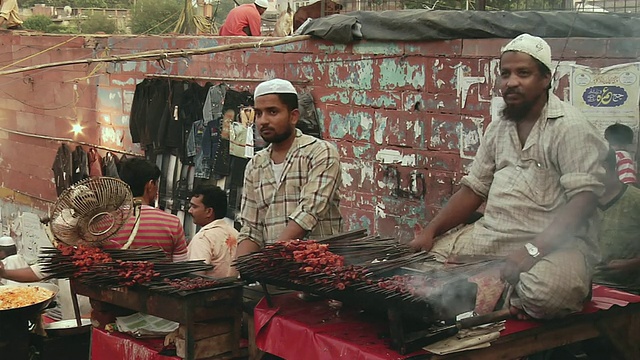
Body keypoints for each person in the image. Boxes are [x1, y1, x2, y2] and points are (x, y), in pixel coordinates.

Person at [409, 33, 608, 320]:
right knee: (422, 267)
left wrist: (531, 251)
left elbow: (584, 201)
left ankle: (496, 290)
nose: (511, 82)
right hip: (494, 237)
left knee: (546, 293)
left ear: (546, 79)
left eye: (523, 73)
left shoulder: (570, 127)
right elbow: (473, 190)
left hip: (554, 244)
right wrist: (430, 231)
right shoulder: (498, 127)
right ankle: (501, 290)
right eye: (505, 74)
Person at [236, 78, 342, 257]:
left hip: (318, 272)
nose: (263, 121)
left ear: (293, 116)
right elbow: (251, 229)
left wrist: (271, 258)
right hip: (273, 277)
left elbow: (308, 212)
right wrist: (238, 270)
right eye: (259, 113)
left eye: (272, 112)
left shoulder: (320, 152)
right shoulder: (255, 165)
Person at [102, 158, 188, 262]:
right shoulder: (172, 223)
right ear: (150, 185)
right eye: (157, 184)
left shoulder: (103, 223)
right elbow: (181, 266)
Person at [593, 149, 640, 294]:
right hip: (584, 287)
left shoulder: (635, 200)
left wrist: (631, 264)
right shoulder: (581, 200)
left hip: (627, 291)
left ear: (605, 168)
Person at [187, 185, 239, 278]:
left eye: (194, 207)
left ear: (209, 211)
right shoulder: (236, 234)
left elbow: (196, 277)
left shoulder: (203, 238)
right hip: (235, 292)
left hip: (211, 292)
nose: (189, 210)